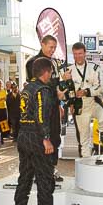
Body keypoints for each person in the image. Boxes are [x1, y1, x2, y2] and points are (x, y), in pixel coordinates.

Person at [13, 57, 58, 205]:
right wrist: (46, 138)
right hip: (37, 138)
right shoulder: (43, 89)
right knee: (45, 180)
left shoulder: (26, 88)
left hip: (23, 137)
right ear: (45, 72)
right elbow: (42, 116)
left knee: (24, 178)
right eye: (51, 72)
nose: (51, 76)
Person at [25, 35, 68, 181]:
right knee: (41, 139)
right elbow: (40, 84)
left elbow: (54, 86)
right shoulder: (32, 62)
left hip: (54, 106)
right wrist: (61, 80)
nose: (53, 50)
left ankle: (51, 168)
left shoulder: (54, 63)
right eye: (50, 46)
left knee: (55, 138)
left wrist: (59, 103)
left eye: (55, 47)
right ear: (42, 44)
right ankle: (39, 172)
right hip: (39, 108)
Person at [66, 42, 103, 157]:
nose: (78, 56)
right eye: (75, 54)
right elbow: (65, 90)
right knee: (84, 138)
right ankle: (86, 161)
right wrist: (70, 103)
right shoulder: (68, 70)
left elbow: (99, 87)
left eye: (80, 53)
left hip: (92, 102)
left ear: (85, 53)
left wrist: (86, 91)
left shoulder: (94, 68)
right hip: (79, 107)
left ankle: (102, 135)